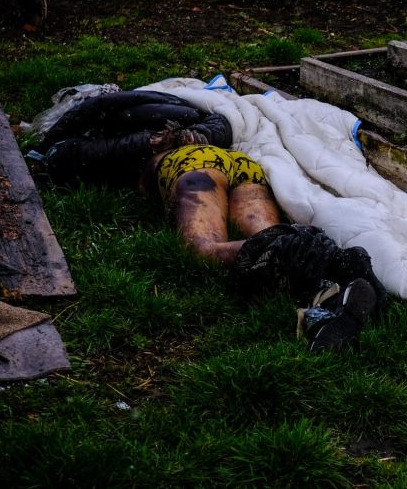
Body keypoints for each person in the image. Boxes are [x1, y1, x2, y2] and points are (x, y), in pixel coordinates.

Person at [32, 89, 385, 351]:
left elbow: (62, 156)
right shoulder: (189, 110)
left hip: (191, 167)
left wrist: (149, 143)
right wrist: (195, 135)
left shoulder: (110, 130)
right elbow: (222, 120)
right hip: (242, 166)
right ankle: (333, 280)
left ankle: (310, 262)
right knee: (274, 241)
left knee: (202, 248)